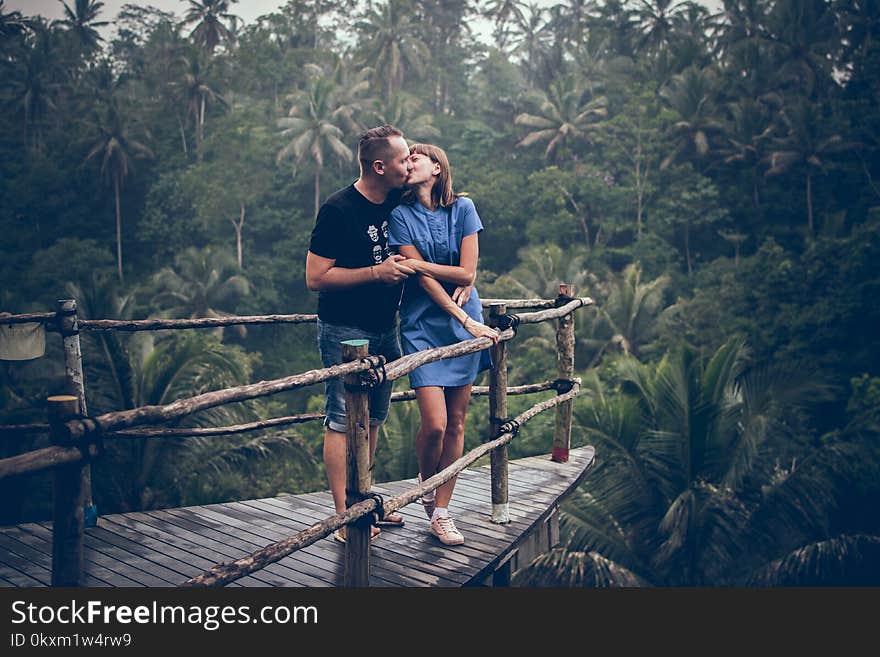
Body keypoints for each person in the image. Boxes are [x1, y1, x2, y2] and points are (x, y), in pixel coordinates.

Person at [306, 125, 415, 543]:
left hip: (387, 327)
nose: (409, 164)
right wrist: (376, 272)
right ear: (378, 166)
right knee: (340, 420)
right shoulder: (339, 209)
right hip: (344, 331)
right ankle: (344, 517)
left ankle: (363, 501)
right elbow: (316, 278)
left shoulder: (398, 200)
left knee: (373, 419)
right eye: (403, 159)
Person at [388, 143, 500, 546]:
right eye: (407, 158)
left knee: (456, 422)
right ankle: (426, 480)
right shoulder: (399, 216)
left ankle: (442, 511)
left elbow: (467, 270)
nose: (409, 162)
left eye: (416, 157)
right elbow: (428, 281)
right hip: (424, 323)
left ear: (437, 167)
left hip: (466, 325)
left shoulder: (464, 209)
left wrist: (421, 263)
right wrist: (463, 315)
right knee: (433, 424)